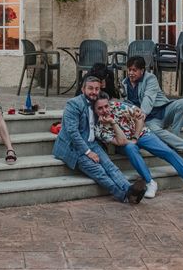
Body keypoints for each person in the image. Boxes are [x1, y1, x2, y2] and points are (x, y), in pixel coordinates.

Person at [93, 94, 183, 198]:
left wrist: (135, 137)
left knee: (168, 152)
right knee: (130, 148)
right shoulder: (99, 129)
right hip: (125, 144)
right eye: (100, 108)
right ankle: (150, 182)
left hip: (140, 133)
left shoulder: (118, 106)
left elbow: (140, 119)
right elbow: (122, 141)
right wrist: (112, 122)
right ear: (94, 110)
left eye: (106, 106)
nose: (105, 110)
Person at [52, 76, 146, 204]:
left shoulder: (96, 102)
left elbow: (115, 104)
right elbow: (72, 133)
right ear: (83, 89)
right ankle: (124, 195)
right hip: (73, 147)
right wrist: (87, 152)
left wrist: (136, 109)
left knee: (110, 166)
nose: (94, 92)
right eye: (90, 88)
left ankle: (129, 189)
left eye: (96, 89)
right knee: (99, 171)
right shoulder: (73, 104)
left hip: (91, 142)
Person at [122, 56, 183, 166]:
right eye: (129, 69)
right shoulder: (124, 84)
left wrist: (143, 114)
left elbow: (148, 98)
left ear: (142, 70)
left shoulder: (150, 78)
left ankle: (174, 136)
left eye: (134, 70)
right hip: (150, 121)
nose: (131, 73)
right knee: (152, 130)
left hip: (163, 111)